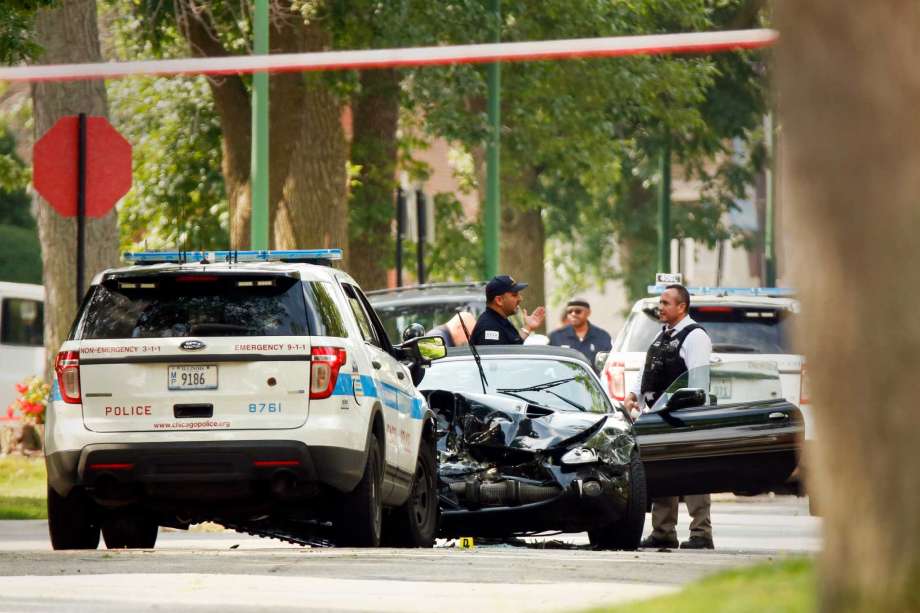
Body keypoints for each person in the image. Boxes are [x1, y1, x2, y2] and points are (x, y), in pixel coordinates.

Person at [623, 284, 715, 550]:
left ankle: (701, 533)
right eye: (660, 303)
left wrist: (692, 416)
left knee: (695, 475)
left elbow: (698, 380)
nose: (660, 307)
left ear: (681, 307)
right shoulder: (662, 335)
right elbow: (648, 370)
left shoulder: (695, 336)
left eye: (665, 303)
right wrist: (633, 396)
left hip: (686, 415)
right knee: (663, 472)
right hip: (660, 416)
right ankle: (663, 532)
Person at [470, 275, 545, 345]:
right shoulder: (490, 327)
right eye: (514, 295)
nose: (520, 298)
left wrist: (528, 327)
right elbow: (502, 357)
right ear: (499, 300)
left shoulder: (498, 320)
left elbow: (512, 346)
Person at [548, 299, 612, 369]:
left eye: (577, 311)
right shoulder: (556, 336)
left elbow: (608, 364)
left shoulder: (602, 336)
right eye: (569, 312)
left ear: (588, 313)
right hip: (565, 379)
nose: (573, 314)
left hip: (593, 379)